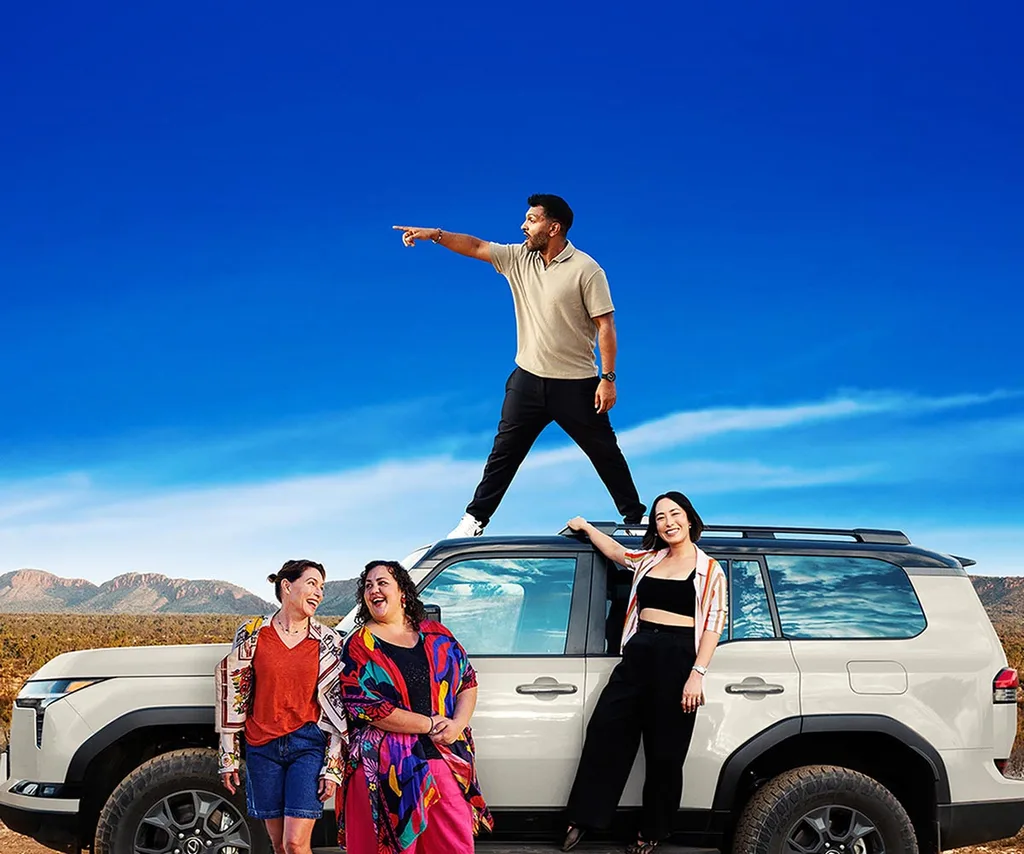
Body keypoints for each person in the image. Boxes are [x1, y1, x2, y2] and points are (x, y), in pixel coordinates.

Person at [393, 194, 646, 538]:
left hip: (576, 384)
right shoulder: (518, 258)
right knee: (504, 454)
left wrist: (608, 379)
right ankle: (474, 520)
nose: (523, 226)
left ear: (553, 227)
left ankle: (634, 521)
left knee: (605, 452)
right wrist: (434, 234)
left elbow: (606, 326)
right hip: (527, 379)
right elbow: (477, 246)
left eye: (532, 220)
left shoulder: (587, 270)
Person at [561, 492, 728, 854]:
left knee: (666, 752)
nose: (668, 522)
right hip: (639, 653)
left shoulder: (710, 569)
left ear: (689, 518)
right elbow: (617, 552)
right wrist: (587, 527)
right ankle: (584, 818)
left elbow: (714, 624)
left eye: (675, 514)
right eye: (660, 517)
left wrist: (697, 673)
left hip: (680, 657)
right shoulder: (649, 560)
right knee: (606, 730)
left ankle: (653, 829)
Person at [330, 559, 492, 854]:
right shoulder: (359, 645)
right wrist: (429, 724)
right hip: (383, 769)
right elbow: (365, 706)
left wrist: (455, 725)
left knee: (455, 846)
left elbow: (467, 681)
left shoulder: (437, 635)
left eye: (382, 583)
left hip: (444, 759)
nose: (374, 590)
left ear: (403, 591)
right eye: (368, 586)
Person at [214, 559, 347, 854]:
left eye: (322, 587)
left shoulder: (329, 642)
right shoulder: (251, 633)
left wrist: (333, 768)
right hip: (262, 747)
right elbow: (233, 695)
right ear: (287, 586)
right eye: (312, 584)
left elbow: (338, 710)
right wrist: (229, 756)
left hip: (308, 745)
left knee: (295, 843)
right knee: (278, 845)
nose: (319, 593)